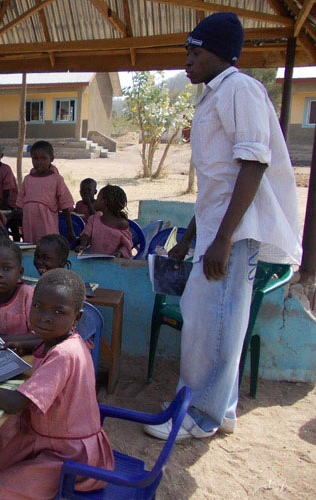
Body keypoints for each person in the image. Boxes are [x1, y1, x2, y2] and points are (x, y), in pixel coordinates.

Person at [144, 12, 302, 441]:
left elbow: (253, 164)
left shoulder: (240, 90)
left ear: (218, 53)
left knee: (211, 325)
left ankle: (198, 415)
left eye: (195, 53)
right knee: (212, 322)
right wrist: (192, 239)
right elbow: (217, 183)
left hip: (231, 236)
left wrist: (222, 240)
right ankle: (220, 409)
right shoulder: (213, 96)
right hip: (217, 232)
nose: (187, 62)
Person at [0, 269, 114, 498]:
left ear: (76, 318)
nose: (45, 317)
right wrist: (25, 347)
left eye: (59, 312)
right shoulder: (57, 341)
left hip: (69, 458)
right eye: (38, 307)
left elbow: (16, 403)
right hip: (48, 438)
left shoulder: (65, 353)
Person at [17, 141, 75, 244]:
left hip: (47, 223)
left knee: (49, 247)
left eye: (43, 158)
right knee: (31, 248)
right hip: (29, 223)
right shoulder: (28, 179)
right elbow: (20, 204)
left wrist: (70, 229)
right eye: (35, 158)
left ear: (51, 159)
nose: (39, 162)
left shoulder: (56, 179)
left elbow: (65, 205)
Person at [75, 185, 133, 258]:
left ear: (104, 202)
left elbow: (127, 244)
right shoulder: (94, 219)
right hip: (95, 260)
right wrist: (82, 245)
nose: (95, 200)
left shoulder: (121, 224)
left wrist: (120, 253)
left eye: (98, 198)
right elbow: (86, 234)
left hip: (114, 263)